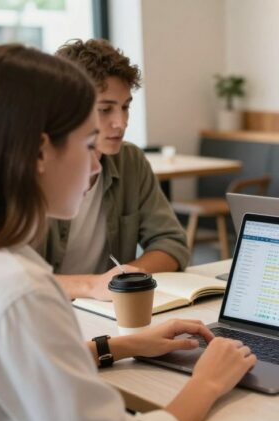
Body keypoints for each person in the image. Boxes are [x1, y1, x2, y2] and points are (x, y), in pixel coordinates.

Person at [0, 44, 255, 421]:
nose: (97, 164)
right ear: (41, 152)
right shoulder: (23, 293)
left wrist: (122, 346)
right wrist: (209, 381)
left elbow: (31, 367)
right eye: (87, 145)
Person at [37, 38, 189, 300]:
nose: (121, 122)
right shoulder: (31, 167)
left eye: (125, 107)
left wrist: (122, 279)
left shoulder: (129, 160)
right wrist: (92, 286)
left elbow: (172, 243)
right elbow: (8, 279)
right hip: (44, 310)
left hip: (107, 309)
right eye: (105, 109)